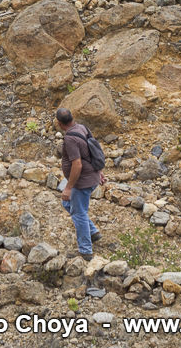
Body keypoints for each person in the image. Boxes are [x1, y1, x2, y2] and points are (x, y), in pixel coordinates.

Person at [55, 107, 105, 260]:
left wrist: (69, 187)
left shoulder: (70, 139)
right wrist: (100, 172)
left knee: (78, 213)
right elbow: (94, 150)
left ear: (59, 123)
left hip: (82, 182)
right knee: (68, 204)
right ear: (72, 118)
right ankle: (93, 232)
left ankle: (85, 250)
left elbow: (77, 164)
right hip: (91, 176)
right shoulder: (82, 128)